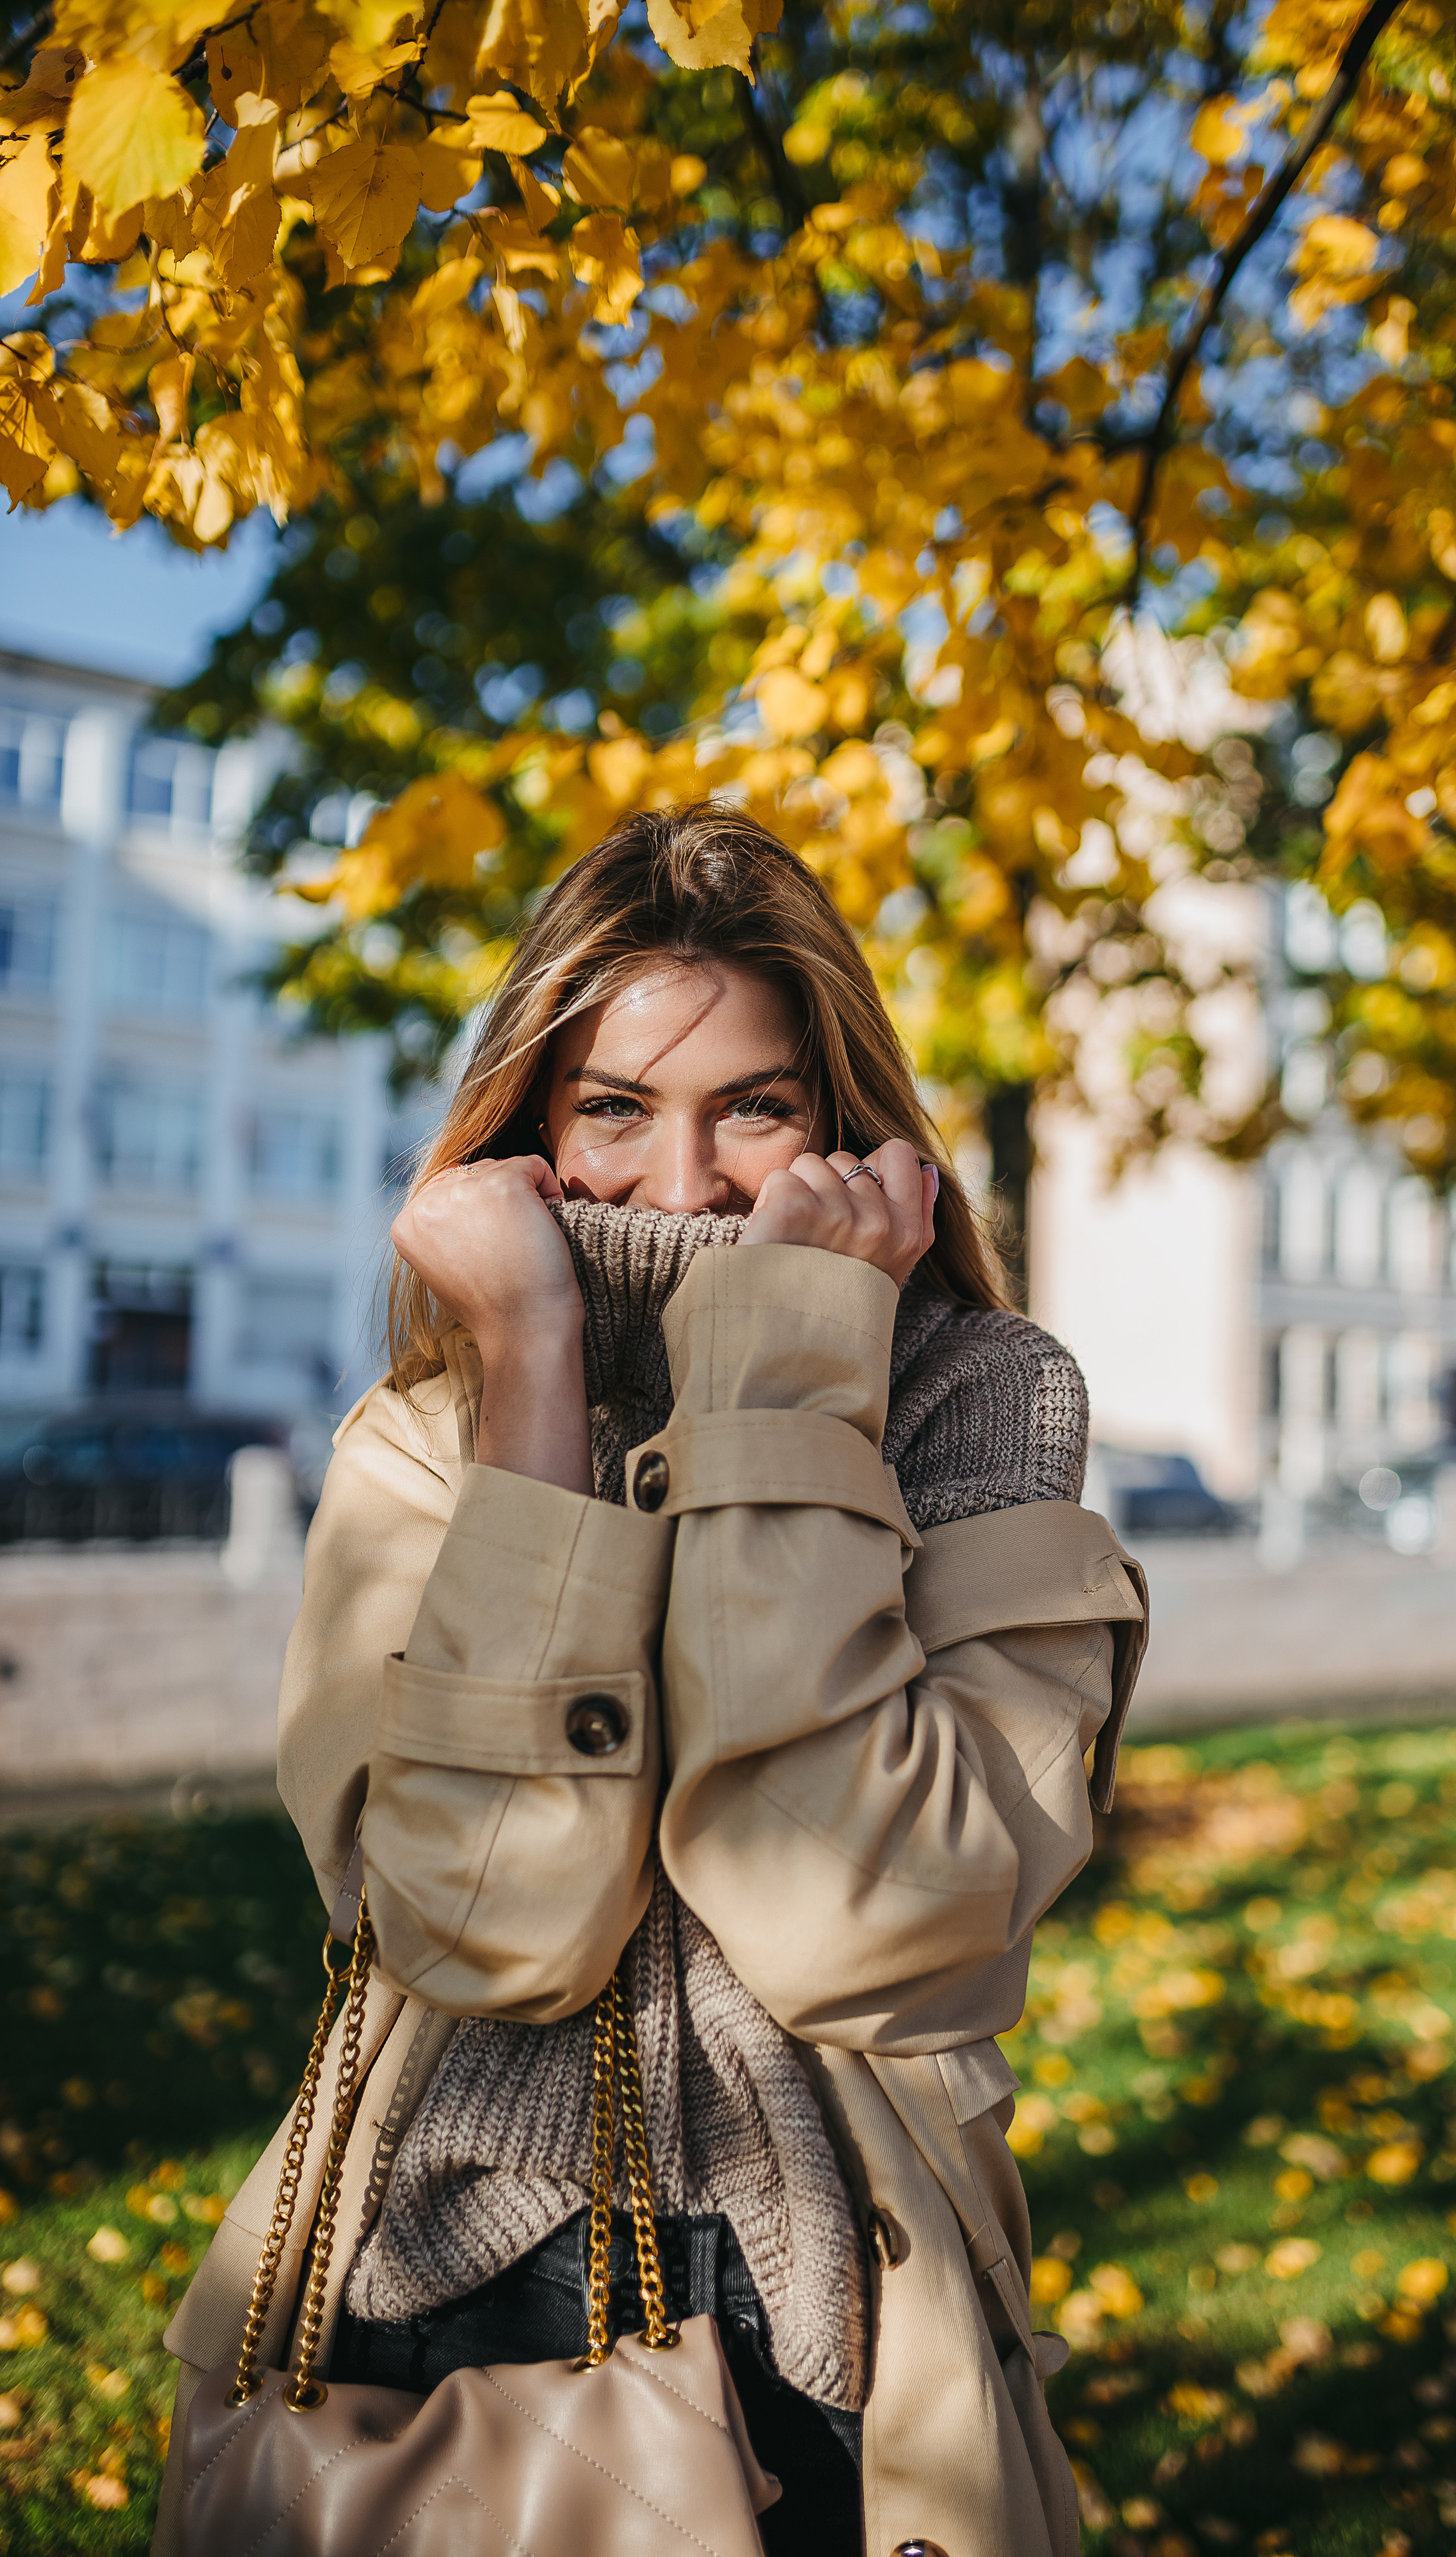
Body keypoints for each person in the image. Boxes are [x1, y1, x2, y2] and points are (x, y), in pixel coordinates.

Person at [153, 805, 1148, 2557]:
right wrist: (533, 1374)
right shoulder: (423, 1440)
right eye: (614, 1106)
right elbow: (481, 1927)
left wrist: (783, 1379)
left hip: (835, 2290)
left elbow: (877, 1919)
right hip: (441, 2271)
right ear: (533, 1122)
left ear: (844, 1122)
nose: (680, 1186)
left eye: (751, 1108)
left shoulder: (982, 1400)